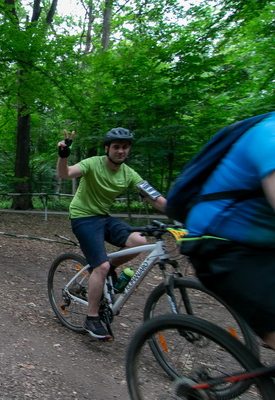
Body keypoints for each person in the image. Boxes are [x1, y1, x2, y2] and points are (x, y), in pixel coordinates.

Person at [57, 128, 167, 340]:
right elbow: (65, 173)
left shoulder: (129, 174)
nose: (120, 151)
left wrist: (185, 213)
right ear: (107, 148)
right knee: (101, 266)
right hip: (83, 217)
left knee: (139, 240)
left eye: (125, 147)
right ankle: (91, 317)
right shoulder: (93, 163)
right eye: (116, 147)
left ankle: (110, 268)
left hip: (104, 217)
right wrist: (63, 156)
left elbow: (156, 199)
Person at [179, 114, 275, 349]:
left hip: (263, 244)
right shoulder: (269, 134)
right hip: (221, 244)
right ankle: (94, 314)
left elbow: (153, 196)